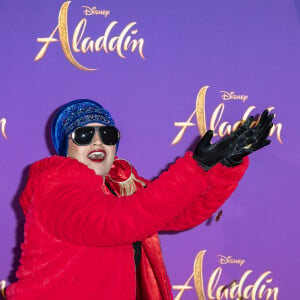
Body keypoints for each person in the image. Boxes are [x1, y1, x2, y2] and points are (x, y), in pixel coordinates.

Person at [5, 99, 273, 300]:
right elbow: (119, 221)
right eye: (84, 135)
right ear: (65, 146)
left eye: (107, 135)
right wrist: (196, 166)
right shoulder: (53, 188)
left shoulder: (118, 186)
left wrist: (225, 164)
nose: (98, 142)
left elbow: (180, 211)